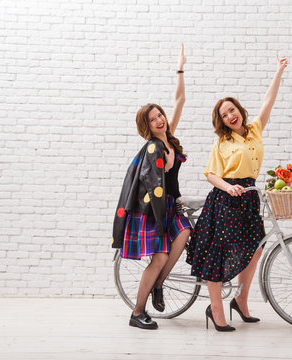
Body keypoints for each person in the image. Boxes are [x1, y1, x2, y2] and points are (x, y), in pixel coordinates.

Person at [186, 55, 288, 331]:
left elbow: (268, 102)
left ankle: (241, 300)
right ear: (221, 121)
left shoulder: (254, 130)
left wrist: (278, 71)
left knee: (255, 250)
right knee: (219, 254)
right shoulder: (223, 143)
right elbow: (210, 173)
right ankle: (216, 309)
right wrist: (228, 186)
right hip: (227, 200)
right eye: (224, 114)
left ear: (239, 110)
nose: (230, 115)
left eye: (232, 110)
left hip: (250, 197)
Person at [112, 44, 191, 330]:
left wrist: (180, 68)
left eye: (160, 115)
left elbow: (180, 101)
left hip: (170, 206)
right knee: (160, 256)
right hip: (153, 210)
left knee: (184, 234)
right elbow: (152, 180)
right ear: (147, 126)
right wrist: (168, 167)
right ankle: (137, 312)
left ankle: (159, 284)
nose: (160, 120)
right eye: (153, 119)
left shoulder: (168, 137)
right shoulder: (153, 146)